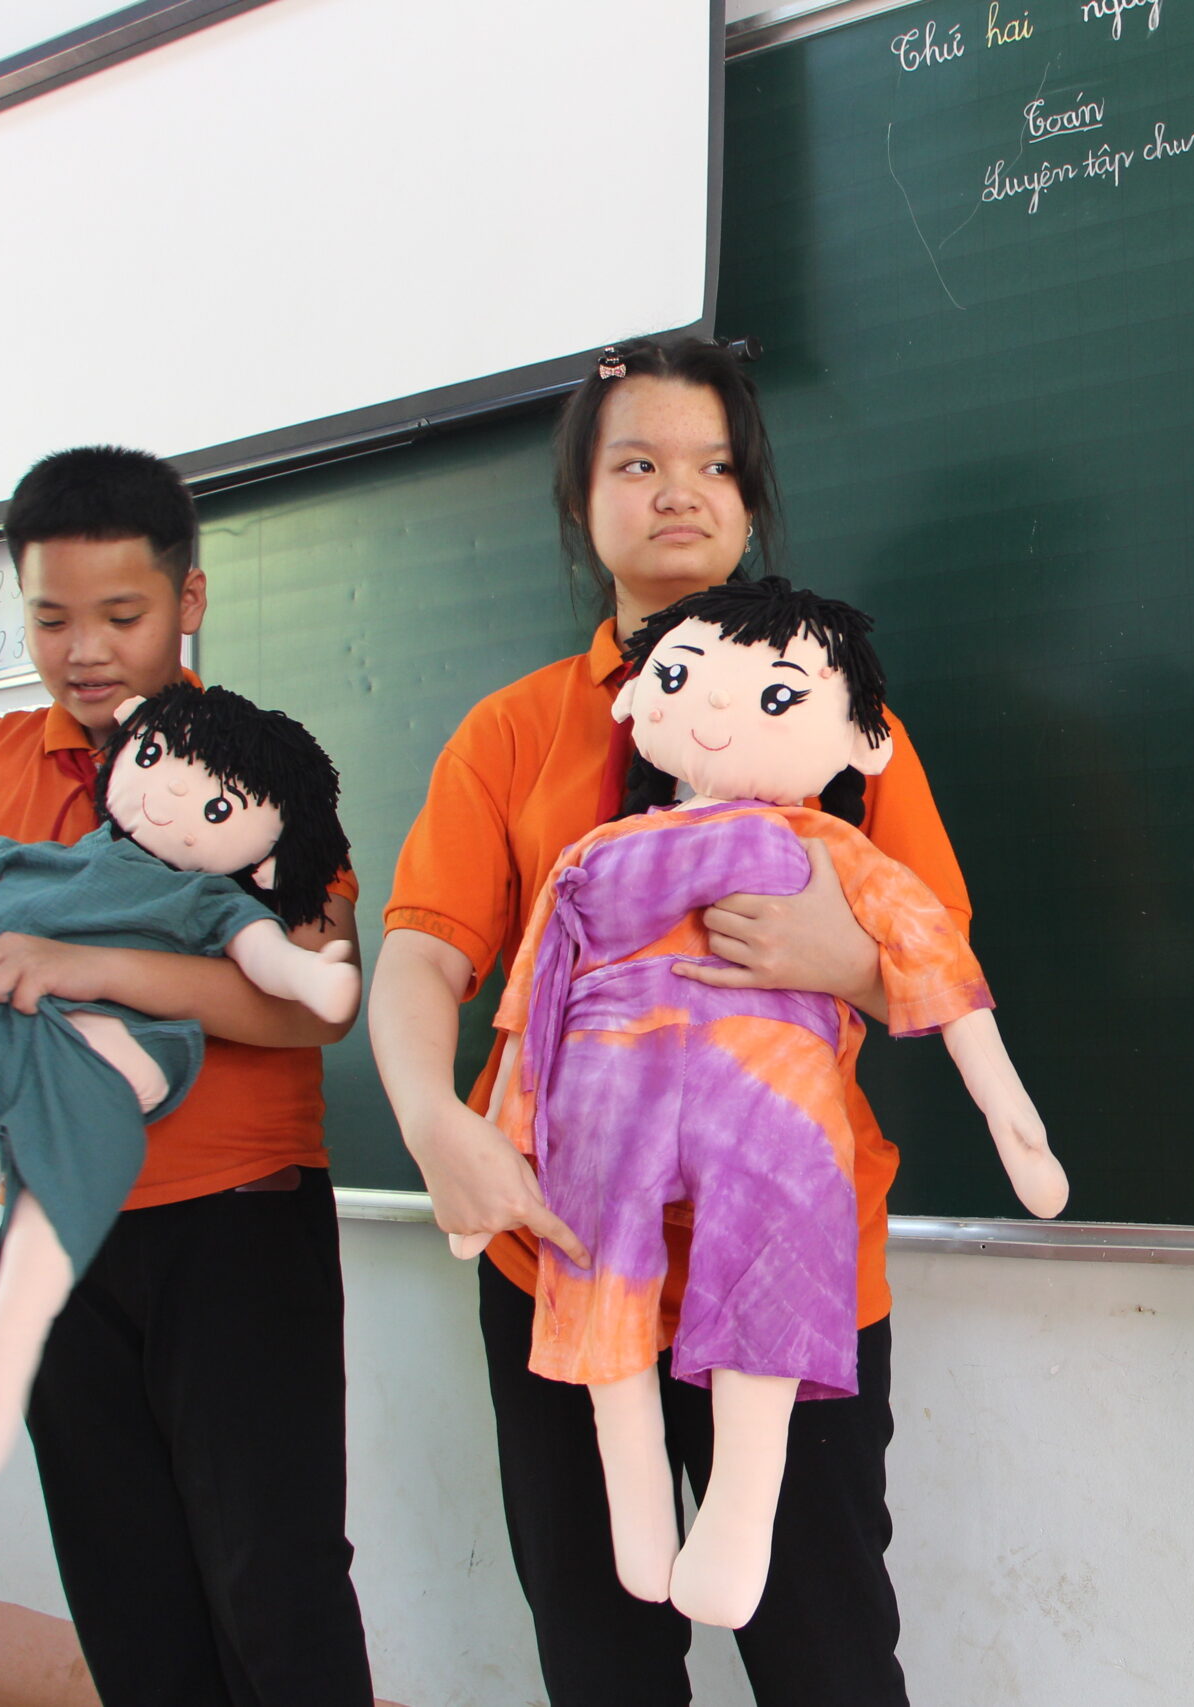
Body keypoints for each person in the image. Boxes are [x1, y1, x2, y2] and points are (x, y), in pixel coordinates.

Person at [369, 335, 968, 1704]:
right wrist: (431, 1120)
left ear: (753, 505)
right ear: (585, 502)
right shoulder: (514, 731)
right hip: (563, 1258)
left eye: (713, 465)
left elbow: (945, 957)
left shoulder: (840, 717)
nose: (677, 492)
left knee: (826, 1655)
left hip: (796, 1266)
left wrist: (848, 956)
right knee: (602, 1657)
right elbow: (422, 952)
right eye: (636, 462)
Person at [0, 447, 374, 1705]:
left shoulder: (257, 775)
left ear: (189, 601)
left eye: (121, 617)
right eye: (50, 617)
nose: (84, 650)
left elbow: (311, 1009)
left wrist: (99, 968)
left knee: (277, 1583)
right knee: (125, 1588)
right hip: (54, 1233)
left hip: (237, 1226)